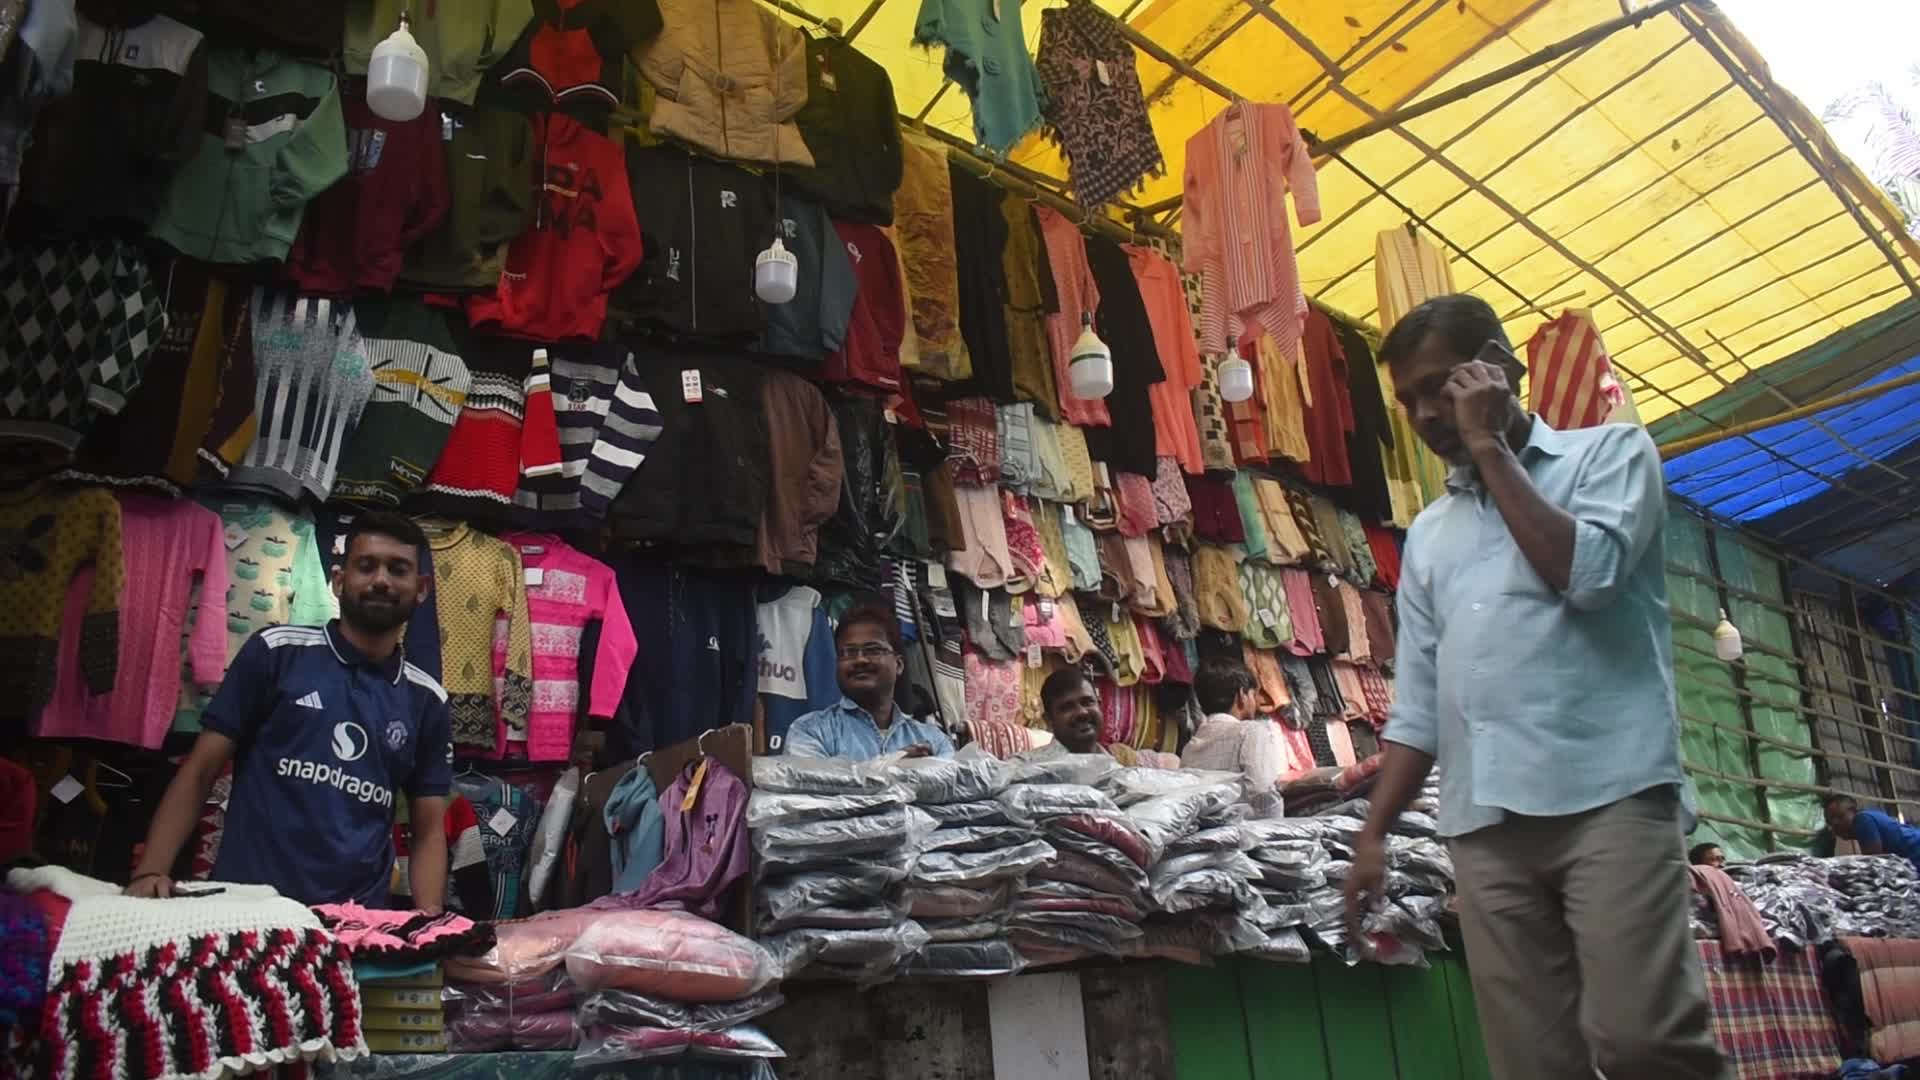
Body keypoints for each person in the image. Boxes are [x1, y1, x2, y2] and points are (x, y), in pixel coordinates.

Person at [1344, 294, 1727, 1079]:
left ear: (1498, 365)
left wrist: (1488, 445)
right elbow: (1419, 703)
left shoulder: (1612, 457)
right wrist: (1375, 832)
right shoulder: (1429, 537)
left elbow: (1584, 575)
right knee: (1534, 1063)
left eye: (1439, 386)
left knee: (1646, 1043)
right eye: (1408, 399)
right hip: (1485, 824)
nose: (1424, 413)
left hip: (1611, 801)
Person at [125, 512, 453, 909]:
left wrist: (428, 925)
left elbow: (429, 827)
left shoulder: (427, 699)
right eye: (366, 566)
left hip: (356, 923)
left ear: (420, 589)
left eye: (397, 569)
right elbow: (200, 771)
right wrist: (151, 871)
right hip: (245, 909)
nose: (381, 580)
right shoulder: (276, 652)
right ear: (338, 579)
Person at [784, 604, 954, 760]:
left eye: (873, 650)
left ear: (899, 664)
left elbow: (954, 785)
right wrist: (896, 767)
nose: (860, 659)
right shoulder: (810, 731)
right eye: (849, 652)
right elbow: (811, 784)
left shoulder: (934, 740)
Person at [1178, 656, 1293, 810]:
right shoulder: (1251, 732)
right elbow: (1263, 794)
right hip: (1247, 830)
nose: (1256, 702)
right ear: (1241, 695)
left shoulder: (1190, 748)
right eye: (1253, 694)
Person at [1035, 667, 1176, 767]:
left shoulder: (1122, 757)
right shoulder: (1038, 770)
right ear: (1049, 719)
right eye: (1067, 707)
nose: (1082, 712)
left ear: (1100, 705)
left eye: (1088, 702)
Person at [1824, 795, 1920, 871]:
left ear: (1853, 811)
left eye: (1840, 816)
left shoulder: (1862, 820)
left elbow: (1874, 864)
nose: (1835, 824)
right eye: (1830, 822)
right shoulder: (1869, 816)